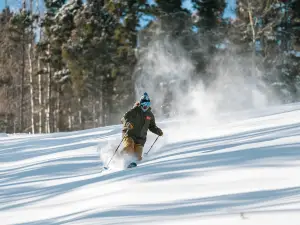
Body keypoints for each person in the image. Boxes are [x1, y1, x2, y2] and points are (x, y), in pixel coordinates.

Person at [120, 92, 163, 161]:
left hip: (140, 139)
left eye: (148, 104)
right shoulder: (134, 110)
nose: (146, 106)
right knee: (129, 148)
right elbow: (123, 118)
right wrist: (127, 124)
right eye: (144, 104)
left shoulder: (150, 115)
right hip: (130, 134)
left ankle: (131, 164)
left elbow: (152, 126)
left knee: (138, 157)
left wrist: (157, 131)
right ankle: (118, 157)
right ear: (141, 103)